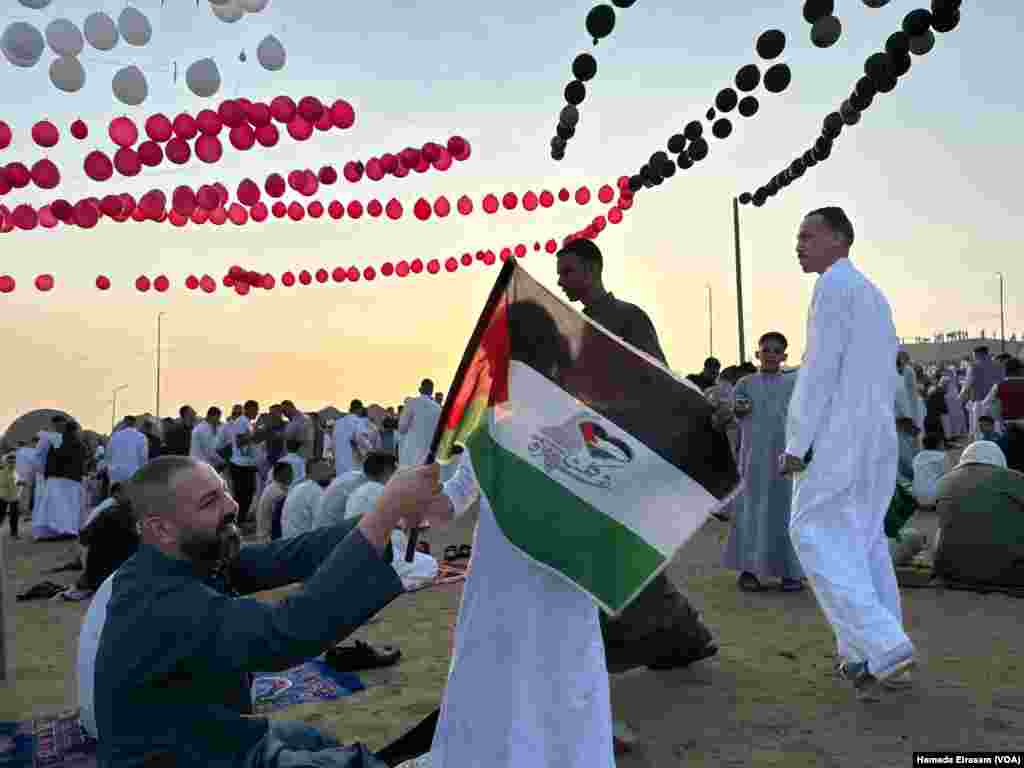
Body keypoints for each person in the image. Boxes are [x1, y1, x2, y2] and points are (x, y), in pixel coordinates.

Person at [90, 455, 448, 768]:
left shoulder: (187, 559)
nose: (231, 505)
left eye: (225, 491)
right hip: (182, 757)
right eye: (209, 501)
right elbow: (286, 631)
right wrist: (384, 513)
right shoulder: (157, 599)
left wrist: (393, 518)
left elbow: (292, 554)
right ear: (162, 529)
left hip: (209, 733)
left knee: (314, 741)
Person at [428, 298, 612, 768]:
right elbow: (458, 495)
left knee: (557, 674)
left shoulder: (580, 416)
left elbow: (601, 495)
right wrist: (422, 501)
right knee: (501, 673)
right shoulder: (492, 417)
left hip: (560, 575)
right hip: (501, 575)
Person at [555, 238, 717, 756]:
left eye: (568, 271)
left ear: (592, 269)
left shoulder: (626, 318)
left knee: (627, 558)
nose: (560, 281)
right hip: (593, 457)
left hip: (626, 455)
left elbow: (655, 378)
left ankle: (680, 637)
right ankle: (681, 639)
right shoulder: (573, 327)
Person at [781, 206, 915, 700]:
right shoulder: (874, 294)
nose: (799, 245)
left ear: (840, 239)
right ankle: (862, 653)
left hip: (841, 431)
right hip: (875, 434)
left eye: (807, 235)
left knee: (810, 531)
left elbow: (819, 370)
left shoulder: (834, 286)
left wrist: (798, 443)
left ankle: (881, 642)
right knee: (862, 539)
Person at [723, 331, 804, 592]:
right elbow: (736, 411)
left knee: (785, 513)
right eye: (766, 350)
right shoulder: (745, 383)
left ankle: (790, 572)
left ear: (784, 356)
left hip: (784, 460)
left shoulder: (795, 384)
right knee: (752, 512)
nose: (770, 354)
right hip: (754, 461)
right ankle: (750, 571)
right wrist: (737, 408)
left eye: (776, 350)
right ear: (757, 354)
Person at [933, 440, 1024, 589]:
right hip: (1010, 572)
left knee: (942, 528)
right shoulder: (1015, 478)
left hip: (950, 570)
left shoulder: (944, 481)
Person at [33, 417, 87, 540]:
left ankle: (52, 531)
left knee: (54, 507)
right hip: (67, 479)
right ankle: (64, 530)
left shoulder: (58, 439)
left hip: (57, 478)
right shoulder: (72, 441)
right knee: (65, 507)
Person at [225, 400, 261, 528]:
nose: (257, 412)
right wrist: (255, 435)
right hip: (240, 464)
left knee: (248, 493)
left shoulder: (247, 422)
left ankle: (240, 520)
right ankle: (238, 521)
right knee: (242, 494)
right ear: (249, 409)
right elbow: (240, 442)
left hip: (246, 464)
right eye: (256, 410)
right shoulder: (241, 421)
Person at [280, 459, 334, 540]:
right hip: (301, 545)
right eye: (324, 469)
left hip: (289, 542)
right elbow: (323, 524)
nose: (330, 473)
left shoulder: (297, 487)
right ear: (312, 473)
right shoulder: (314, 490)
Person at [398, 379, 442, 467]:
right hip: (429, 452)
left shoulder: (411, 403)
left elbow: (402, 428)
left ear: (420, 389)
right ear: (432, 391)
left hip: (411, 450)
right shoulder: (438, 408)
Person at [961, 346, 1004, 438]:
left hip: (979, 403)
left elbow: (967, 385)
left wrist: (960, 396)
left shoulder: (973, 366)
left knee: (979, 432)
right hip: (995, 402)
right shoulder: (999, 365)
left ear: (977, 354)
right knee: (997, 430)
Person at [255, 462, 292, 542]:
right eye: (288, 473)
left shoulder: (273, 487)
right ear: (279, 475)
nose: (291, 476)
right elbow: (279, 520)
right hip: (269, 539)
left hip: (266, 536)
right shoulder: (277, 493)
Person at [107, 416, 148, 485]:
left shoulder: (115, 436)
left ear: (124, 423)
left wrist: (110, 470)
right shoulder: (141, 437)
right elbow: (143, 458)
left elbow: (108, 456)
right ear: (135, 424)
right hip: (133, 474)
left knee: (116, 495)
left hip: (116, 474)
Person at [333, 400, 370, 475]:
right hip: (353, 461)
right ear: (359, 409)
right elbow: (361, 439)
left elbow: (333, 441)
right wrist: (370, 450)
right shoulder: (357, 421)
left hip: (339, 461)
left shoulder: (338, 422)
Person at [910, 432, 946, 508]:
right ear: (939, 444)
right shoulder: (942, 456)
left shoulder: (917, 457)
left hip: (918, 497)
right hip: (935, 497)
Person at [0, 453, 19, 538]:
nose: (12, 463)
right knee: (1, 515)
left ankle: (14, 533)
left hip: (14, 497)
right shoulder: (2, 472)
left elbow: (18, 482)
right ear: (6, 462)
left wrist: (21, 482)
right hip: (3, 496)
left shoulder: (16, 471)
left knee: (14, 516)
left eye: (13, 462)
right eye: (10, 462)